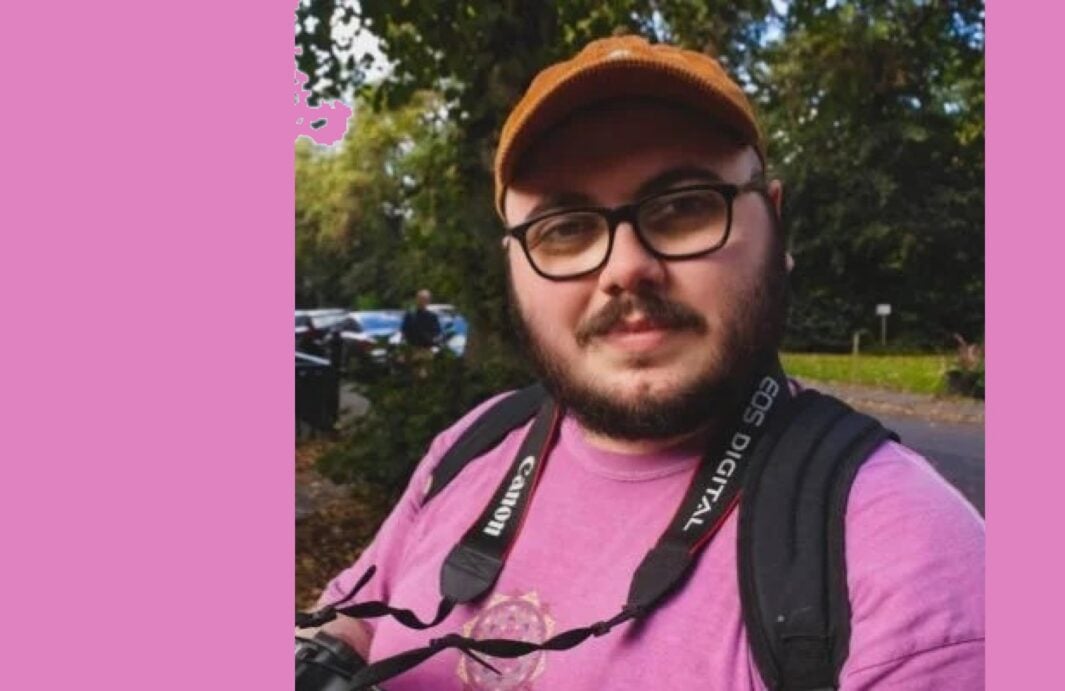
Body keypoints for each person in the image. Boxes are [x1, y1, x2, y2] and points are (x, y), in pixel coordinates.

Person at [306, 35, 984, 689]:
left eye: (685, 207)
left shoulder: (916, 572)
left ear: (776, 227)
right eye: (565, 227)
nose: (627, 268)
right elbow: (352, 626)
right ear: (512, 262)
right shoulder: (473, 442)